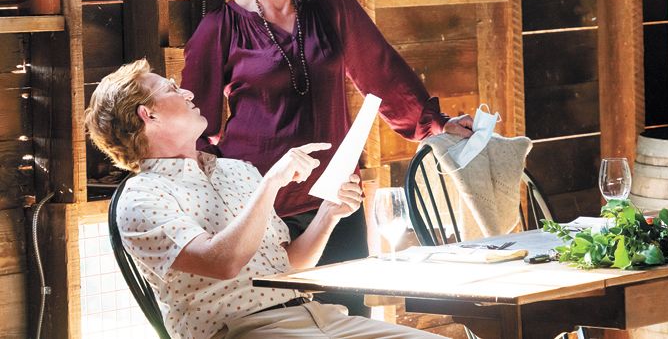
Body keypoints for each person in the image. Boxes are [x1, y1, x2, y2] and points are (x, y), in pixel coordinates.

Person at [180, 0, 472, 315]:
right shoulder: (220, 27)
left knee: (349, 319)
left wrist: (435, 125)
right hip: (261, 206)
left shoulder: (328, 2)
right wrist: (213, 209)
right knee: (281, 324)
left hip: (337, 200)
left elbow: (380, 69)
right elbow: (197, 131)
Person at [85, 59, 443, 339]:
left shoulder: (236, 170)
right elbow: (221, 262)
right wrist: (270, 182)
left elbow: (289, 264)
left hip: (318, 315)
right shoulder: (141, 197)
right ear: (148, 114)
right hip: (244, 331)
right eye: (172, 89)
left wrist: (329, 214)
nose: (189, 93)